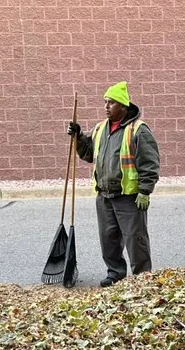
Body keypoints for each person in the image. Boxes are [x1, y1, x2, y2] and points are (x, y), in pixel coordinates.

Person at [67, 81, 160, 287]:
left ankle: (142, 278)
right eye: (105, 102)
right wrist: (78, 137)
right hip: (104, 195)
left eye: (111, 103)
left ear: (123, 106)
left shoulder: (138, 130)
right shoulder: (100, 128)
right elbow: (90, 154)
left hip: (129, 197)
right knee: (108, 239)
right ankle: (115, 273)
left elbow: (150, 163)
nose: (106, 106)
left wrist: (145, 190)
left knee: (136, 240)